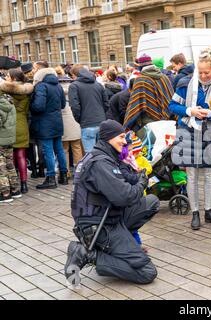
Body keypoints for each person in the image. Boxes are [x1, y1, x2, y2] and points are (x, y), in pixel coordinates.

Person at [64, 119, 160, 285]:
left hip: (109, 216)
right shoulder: (100, 163)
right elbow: (125, 196)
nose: (124, 141)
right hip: (100, 226)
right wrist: (142, 183)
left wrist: (137, 177)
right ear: (109, 137)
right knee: (147, 272)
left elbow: (124, 180)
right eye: (121, 137)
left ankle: (120, 247)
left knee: (151, 202)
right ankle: (89, 254)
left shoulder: (104, 156)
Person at [169, 52, 211, 230]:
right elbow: (172, 106)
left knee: (209, 173)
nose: (203, 76)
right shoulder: (185, 84)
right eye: (200, 72)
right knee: (192, 173)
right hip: (187, 130)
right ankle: (195, 213)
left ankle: (209, 211)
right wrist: (190, 111)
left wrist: (210, 113)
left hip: (209, 131)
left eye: (206, 73)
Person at [30, 67, 68, 189]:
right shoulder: (58, 86)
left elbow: (39, 106)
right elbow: (63, 105)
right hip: (57, 122)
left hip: (45, 123)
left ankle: (51, 178)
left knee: (48, 151)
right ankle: (63, 175)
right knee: (59, 150)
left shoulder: (42, 86)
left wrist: (31, 105)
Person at [0, 68, 33, 194]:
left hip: (9, 125)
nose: (6, 77)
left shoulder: (4, 90)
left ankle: (12, 183)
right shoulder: (27, 91)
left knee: (9, 157)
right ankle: (24, 184)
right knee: (21, 155)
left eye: (8, 76)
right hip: (22, 124)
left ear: (13, 78)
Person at [123, 55, 174, 135]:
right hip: (167, 121)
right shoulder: (164, 77)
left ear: (140, 66)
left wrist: (127, 124)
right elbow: (171, 98)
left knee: (151, 145)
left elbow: (135, 104)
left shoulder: (140, 80)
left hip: (149, 122)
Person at [69, 65, 108, 153]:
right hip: (101, 121)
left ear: (75, 75)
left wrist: (79, 119)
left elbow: (75, 106)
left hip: (87, 123)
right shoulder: (98, 85)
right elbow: (106, 103)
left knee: (90, 155)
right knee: (102, 153)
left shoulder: (74, 86)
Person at [0, 66, 21, 202]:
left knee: (1, 167)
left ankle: (5, 193)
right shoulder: (9, 100)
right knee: (10, 164)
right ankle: (15, 189)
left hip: (1, 139)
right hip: (9, 138)